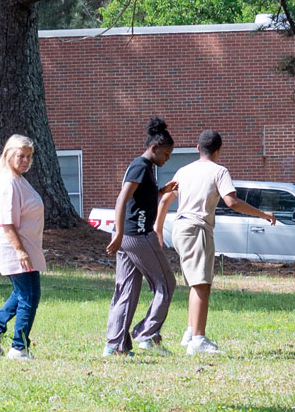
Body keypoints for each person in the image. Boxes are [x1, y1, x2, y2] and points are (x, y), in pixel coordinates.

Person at [166, 129, 274, 356]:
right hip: (197, 229)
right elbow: (232, 202)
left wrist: (158, 228)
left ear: (198, 148)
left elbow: (166, 198)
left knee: (196, 283)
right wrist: (262, 214)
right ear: (219, 150)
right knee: (202, 284)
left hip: (179, 228)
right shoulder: (219, 171)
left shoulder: (183, 170)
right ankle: (198, 341)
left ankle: (190, 333)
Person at [104, 117, 181, 356]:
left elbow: (141, 199)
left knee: (126, 289)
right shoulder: (140, 166)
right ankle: (147, 335)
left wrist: (161, 191)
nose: (167, 159)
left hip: (129, 237)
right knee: (166, 283)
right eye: (166, 154)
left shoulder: (144, 167)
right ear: (154, 148)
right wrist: (118, 232)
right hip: (137, 236)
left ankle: (115, 346)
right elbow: (122, 198)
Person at [0, 134, 45, 360]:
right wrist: (20, 251)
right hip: (13, 246)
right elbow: (7, 222)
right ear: (8, 155)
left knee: (22, 292)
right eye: (21, 156)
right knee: (29, 295)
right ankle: (19, 348)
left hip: (22, 244)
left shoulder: (16, 178)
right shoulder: (8, 182)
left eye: (28, 157)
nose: (25, 161)